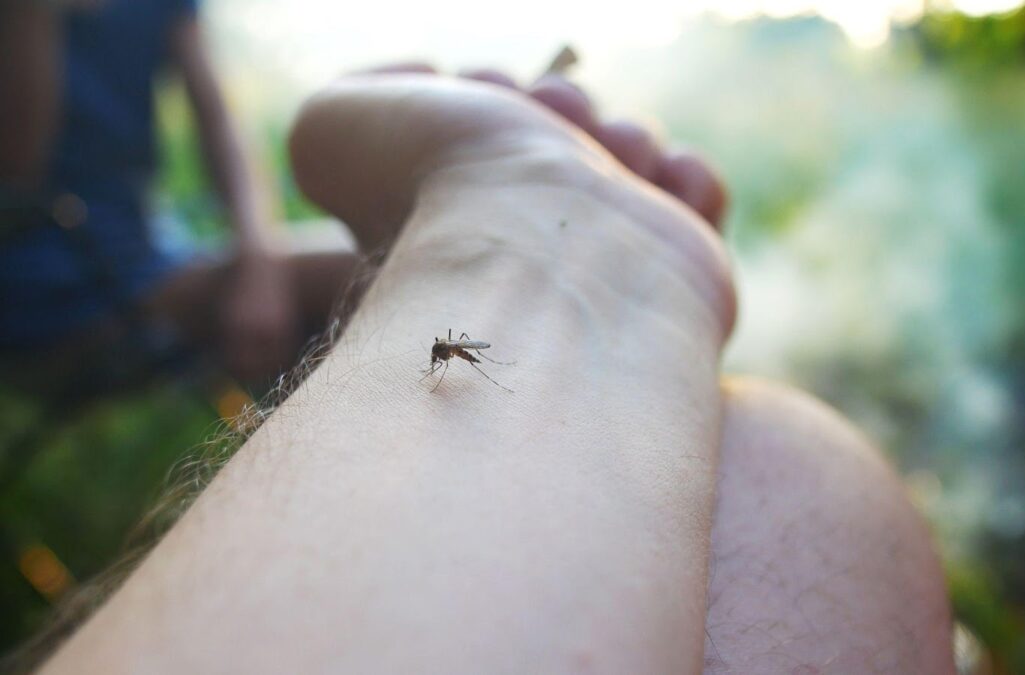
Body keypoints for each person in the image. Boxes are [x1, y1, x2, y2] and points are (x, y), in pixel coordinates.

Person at [16, 64, 956, 673]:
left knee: (787, 450)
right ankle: (548, 243)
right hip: (51, 288)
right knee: (791, 454)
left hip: (164, 259)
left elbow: (219, 124)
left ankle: (539, 246)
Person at [0, 0, 357, 384]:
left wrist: (259, 263)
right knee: (361, 274)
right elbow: (17, 171)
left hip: (143, 254)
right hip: (52, 276)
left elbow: (218, 123)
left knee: (376, 262)